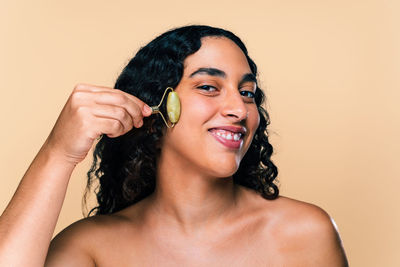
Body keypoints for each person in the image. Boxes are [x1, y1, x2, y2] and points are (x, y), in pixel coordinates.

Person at [0, 25, 348, 266]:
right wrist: (58, 153)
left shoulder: (304, 232)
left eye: (247, 93)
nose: (239, 109)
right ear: (155, 107)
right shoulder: (90, 248)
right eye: (209, 87)